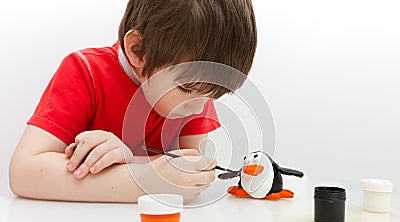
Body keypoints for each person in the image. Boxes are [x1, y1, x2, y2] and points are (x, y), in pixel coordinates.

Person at [9, 0, 257, 203]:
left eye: (213, 94)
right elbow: (23, 172)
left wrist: (132, 160)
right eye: (186, 89)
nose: (199, 107)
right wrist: (145, 179)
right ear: (137, 50)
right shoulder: (85, 72)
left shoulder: (196, 90)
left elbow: (189, 170)